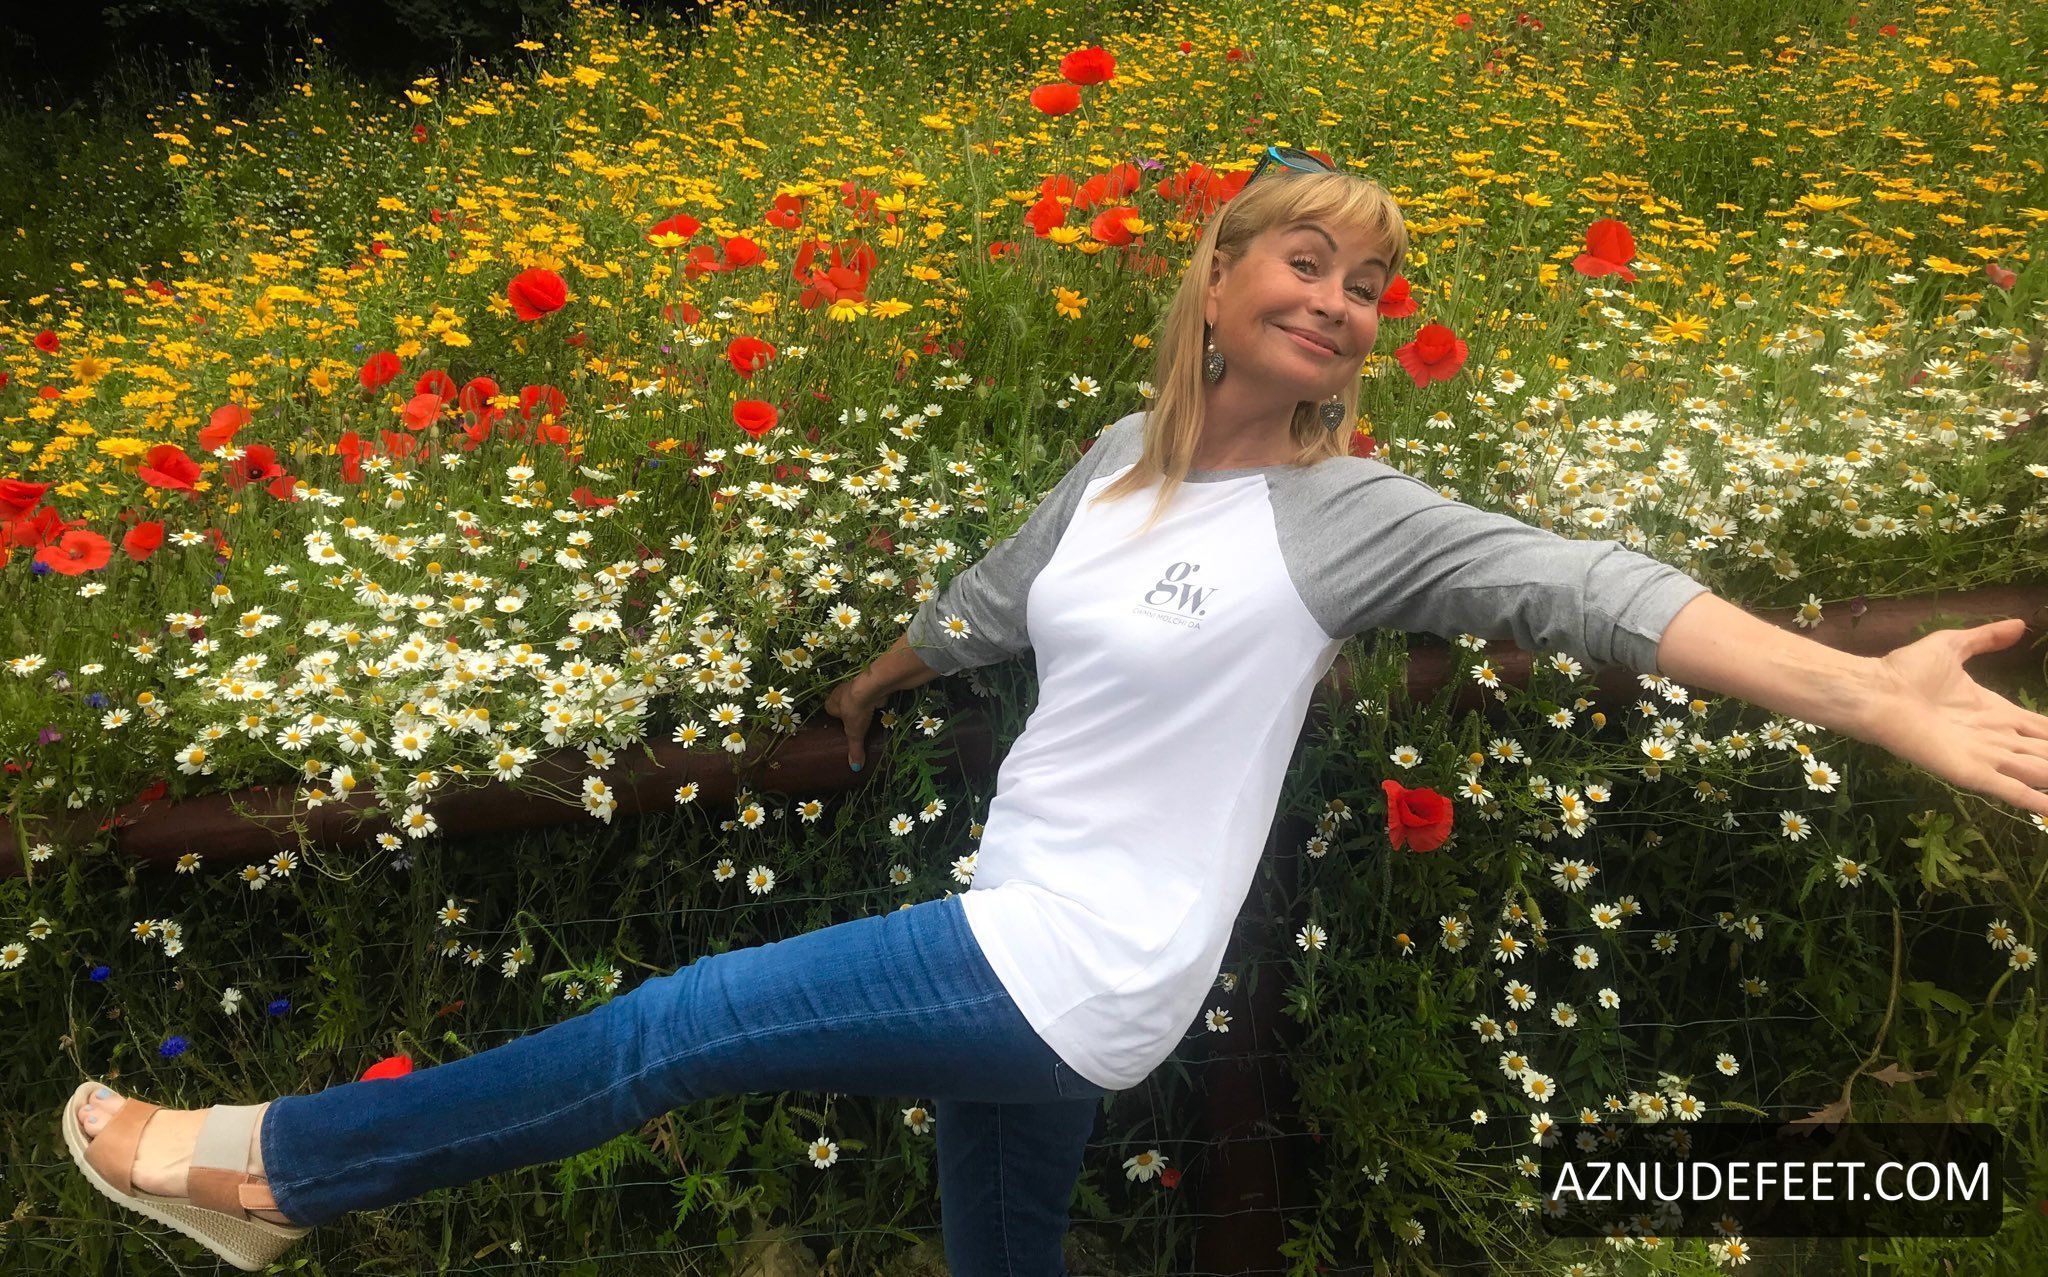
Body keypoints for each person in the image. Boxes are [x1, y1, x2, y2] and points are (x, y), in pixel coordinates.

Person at [63, 147, 2048, 1276]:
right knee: (999, 1250)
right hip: (1023, 921)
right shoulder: (1119, 460)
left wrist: (1864, 692)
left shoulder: (1348, 517)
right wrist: (876, 678)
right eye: (1308, 261)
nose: (1341, 301)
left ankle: (283, 1167)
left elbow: (1592, 588)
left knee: (681, 1023)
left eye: (1368, 285)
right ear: (1217, 278)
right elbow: (1003, 600)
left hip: (1079, 963)